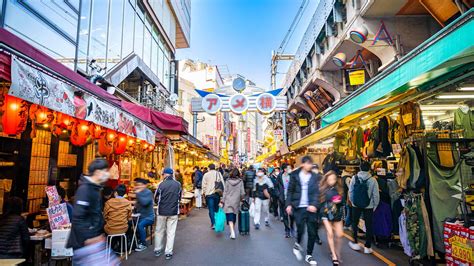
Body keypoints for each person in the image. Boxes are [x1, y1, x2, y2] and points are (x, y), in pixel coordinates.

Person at [67, 159, 110, 252]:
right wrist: (89, 238)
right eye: (106, 171)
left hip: (93, 240)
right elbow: (78, 218)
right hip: (84, 243)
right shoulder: (85, 189)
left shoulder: (95, 188)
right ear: (98, 172)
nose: (108, 174)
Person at [286, 156, 320, 265]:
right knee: (300, 229)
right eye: (308, 163)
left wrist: (314, 204)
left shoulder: (314, 176)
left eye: (311, 163)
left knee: (312, 232)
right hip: (298, 207)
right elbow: (290, 191)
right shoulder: (295, 175)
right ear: (303, 164)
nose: (310, 165)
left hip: (310, 208)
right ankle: (297, 243)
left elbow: (316, 192)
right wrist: (289, 205)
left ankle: (309, 255)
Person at [348, 160, 380, 254]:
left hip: (356, 205)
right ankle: (367, 247)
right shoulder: (373, 180)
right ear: (369, 169)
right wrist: (374, 206)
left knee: (355, 223)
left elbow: (351, 191)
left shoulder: (355, 177)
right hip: (368, 206)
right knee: (369, 225)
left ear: (360, 168)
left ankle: (355, 242)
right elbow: (376, 195)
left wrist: (353, 201)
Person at [154, 168, 182, 260]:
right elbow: (179, 197)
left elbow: (155, 197)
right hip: (173, 211)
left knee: (159, 230)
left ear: (165, 174)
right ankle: (168, 252)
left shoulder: (161, 184)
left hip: (161, 211)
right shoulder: (178, 184)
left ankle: (158, 249)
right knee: (171, 232)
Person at [320, 171, 344, 265]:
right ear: (326, 179)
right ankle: (334, 256)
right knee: (330, 233)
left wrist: (339, 200)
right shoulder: (322, 189)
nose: (332, 181)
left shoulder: (339, 188)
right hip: (325, 213)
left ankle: (337, 252)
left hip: (336, 214)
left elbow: (343, 200)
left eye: (333, 179)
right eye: (330, 179)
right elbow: (320, 202)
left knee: (339, 235)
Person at [220, 168, 245, 239]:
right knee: (234, 215)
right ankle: (232, 231)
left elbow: (225, 192)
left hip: (228, 200)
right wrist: (242, 199)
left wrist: (222, 201)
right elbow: (242, 192)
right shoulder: (240, 182)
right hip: (236, 201)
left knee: (229, 216)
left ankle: (232, 231)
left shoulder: (227, 181)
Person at [134, 178, 155, 252]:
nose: (138, 186)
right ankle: (136, 241)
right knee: (132, 224)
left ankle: (143, 244)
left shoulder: (148, 192)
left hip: (149, 217)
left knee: (140, 225)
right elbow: (138, 204)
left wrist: (137, 194)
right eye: (137, 185)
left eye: (140, 185)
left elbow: (144, 203)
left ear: (145, 185)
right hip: (141, 216)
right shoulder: (139, 193)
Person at [202, 163, 224, 229]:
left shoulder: (206, 174)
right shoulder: (218, 173)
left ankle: (213, 223)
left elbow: (203, 185)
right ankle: (217, 221)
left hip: (209, 195)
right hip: (217, 194)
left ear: (209, 168)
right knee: (216, 208)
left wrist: (204, 192)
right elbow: (222, 183)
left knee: (211, 209)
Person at [278, 163, 294, 238]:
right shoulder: (279, 176)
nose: (290, 169)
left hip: (291, 199)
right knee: (285, 215)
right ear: (285, 169)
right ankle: (287, 230)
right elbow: (276, 186)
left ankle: (292, 226)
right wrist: (279, 194)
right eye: (289, 168)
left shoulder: (292, 176)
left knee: (292, 215)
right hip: (283, 198)